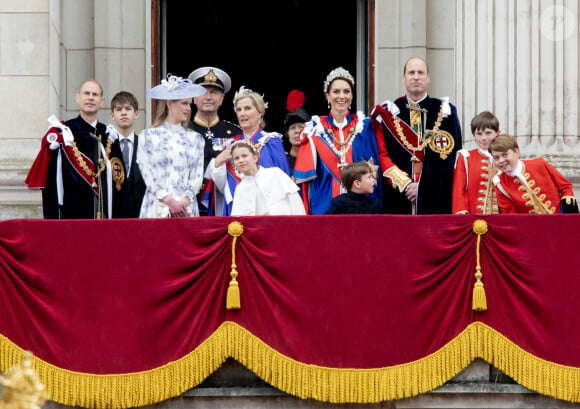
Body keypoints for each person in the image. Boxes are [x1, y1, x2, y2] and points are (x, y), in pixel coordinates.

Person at [371, 56, 462, 214]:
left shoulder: (445, 111)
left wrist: (423, 187)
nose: (416, 76)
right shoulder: (390, 113)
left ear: (428, 78)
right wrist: (405, 184)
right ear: (404, 78)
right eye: (411, 72)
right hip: (398, 196)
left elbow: (451, 157)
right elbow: (382, 156)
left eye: (421, 72)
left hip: (436, 197)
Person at [294, 67, 381, 215]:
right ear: (327, 96)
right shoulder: (315, 129)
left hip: (360, 206)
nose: (342, 96)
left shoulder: (364, 126)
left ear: (352, 96)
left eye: (346, 91)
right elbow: (305, 182)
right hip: (325, 202)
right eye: (336, 92)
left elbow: (373, 169)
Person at [26, 79, 113, 219]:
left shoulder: (108, 135)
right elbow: (53, 185)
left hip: (103, 216)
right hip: (72, 216)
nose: (90, 97)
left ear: (102, 101)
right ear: (78, 98)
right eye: (86, 93)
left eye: (95, 94)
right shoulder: (64, 134)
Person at [206, 85, 290, 216]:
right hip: (236, 209)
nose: (242, 113)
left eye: (247, 108)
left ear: (260, 113)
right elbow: (222, 187)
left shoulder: (271, 141)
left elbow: (283, 181)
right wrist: (219, 161)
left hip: (266, 211)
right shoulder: (231, 144)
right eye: (239, 110)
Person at [137, 75, 207, 218]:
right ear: (169, 103)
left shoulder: (196, 139)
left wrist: (184, 200)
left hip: (185, 208)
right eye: (184, 103)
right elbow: (147, 172)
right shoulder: (148, 136)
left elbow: (197, 175)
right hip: (157, 206)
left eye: (189, 104)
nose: (188, 109)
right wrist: (168, 200)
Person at [188, 67, 241, 215]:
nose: (208, 97)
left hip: (224, 206)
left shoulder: (235, 133)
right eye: (203, 92)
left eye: (214, 92)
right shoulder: (183, 132)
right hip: (192, 205)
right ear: (193, 97)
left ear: (222, 99)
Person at [490, 134, 578, 214]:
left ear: (517, 152)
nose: (501, 160)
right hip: (533, 228)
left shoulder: (540, 164)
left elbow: (565, 186)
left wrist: (568, 200)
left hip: (560, 221)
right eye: (496, 158)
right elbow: (511, 215)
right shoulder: (500, 184)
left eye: (505, 155)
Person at [230, 141, 305, 216]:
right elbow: (238, 218)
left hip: (284, 224)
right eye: (236, 158)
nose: (241, 160)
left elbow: (296, 202)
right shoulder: (240, 188)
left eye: (244, 156)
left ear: (255, 158)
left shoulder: (275, 173)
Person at [107, 91, 146, 218]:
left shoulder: (145, 146)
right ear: (112, 115)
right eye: (119, 109)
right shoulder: (105, 146)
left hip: (140, 215)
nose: (123, 112)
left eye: (128, 109)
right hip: (113, 215)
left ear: (136, 114)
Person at [452, 111, 500, 214]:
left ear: (497, 133)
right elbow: (458, 190)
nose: (483, 138)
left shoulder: (503, 158)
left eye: (488, 133)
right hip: (474, 218)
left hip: (501, 219)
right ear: (474, 135)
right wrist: (460, 212)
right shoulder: (465, 157)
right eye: (479, 134)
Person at [284, 90, 310, 175]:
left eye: (301, 127)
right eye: (292, 128)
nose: (297, 131)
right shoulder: (283, 161)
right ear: (288, 134)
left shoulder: (316, 158)